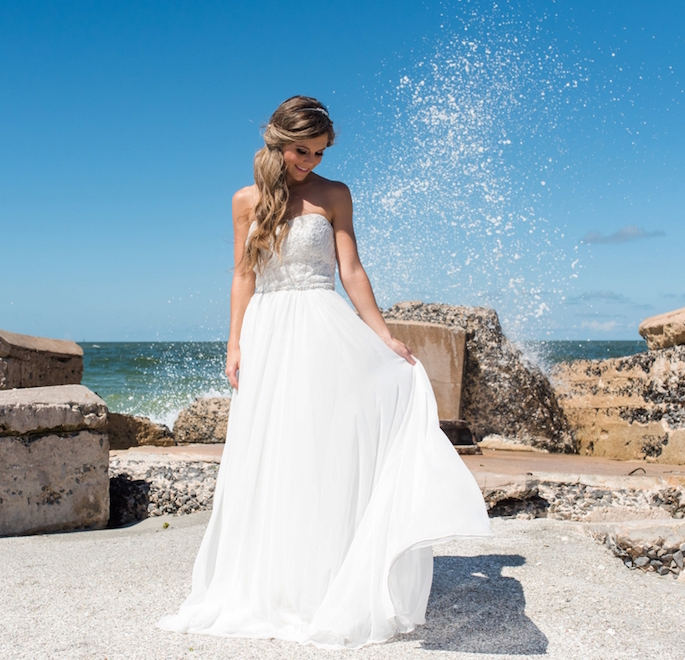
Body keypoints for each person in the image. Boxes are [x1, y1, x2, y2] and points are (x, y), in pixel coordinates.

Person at [158, 96, 491, 649]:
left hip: (321, 323)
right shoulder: (247, 199)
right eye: (300, 151)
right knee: (273, 449)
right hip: (268, 330)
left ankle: (327, 577)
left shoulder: (336, 195)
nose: (309, 161)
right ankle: (273, 580)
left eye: (318, 152)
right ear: (277, 142)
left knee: (325, 444)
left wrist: (383, 335)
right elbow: (243, 276)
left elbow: (351, 270)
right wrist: (235, 342)